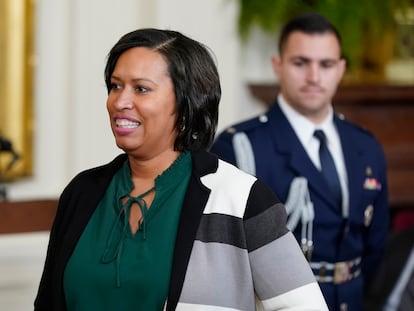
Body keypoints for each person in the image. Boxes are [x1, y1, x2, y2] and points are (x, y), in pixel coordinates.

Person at [34, 28, 328, 310]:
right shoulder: (82, 192)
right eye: (115, 85)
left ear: (188, 102)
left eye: (141, 89)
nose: (120, 101)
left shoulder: (241, 199)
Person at [210, 13, 389, 311]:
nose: (314, 77)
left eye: (326, 65)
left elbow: (375, 247)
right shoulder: (240, 146)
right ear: (277, 66)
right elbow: (220, 256)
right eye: (300, 63)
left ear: (341, 69)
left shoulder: (365, 146)